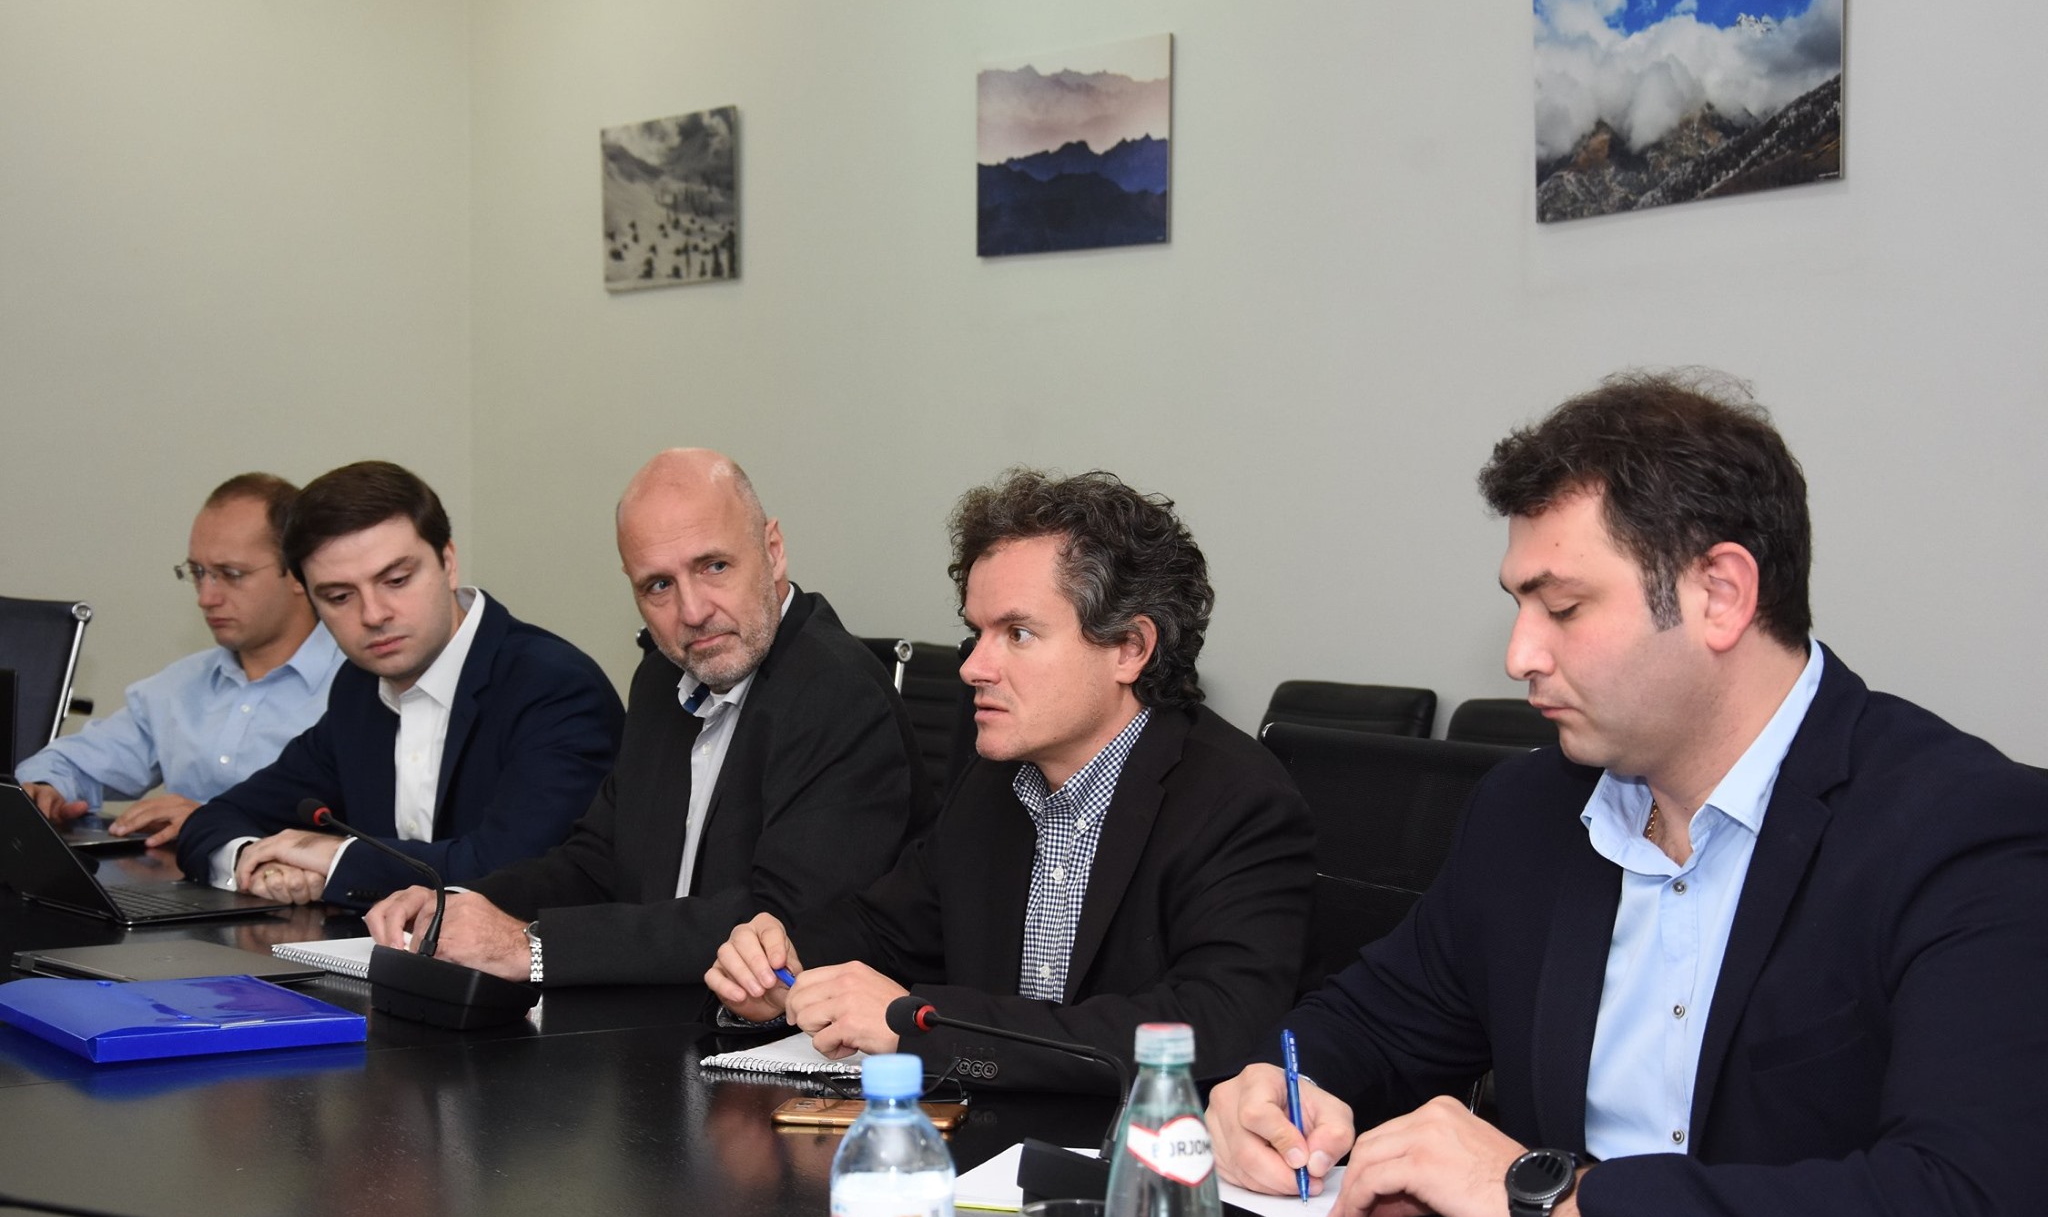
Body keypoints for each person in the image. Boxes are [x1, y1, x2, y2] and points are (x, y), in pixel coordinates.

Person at [1205, 371, 2048, 1217]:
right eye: (1519, 605)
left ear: (1720, 594)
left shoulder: (1965, 831)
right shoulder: (1527, 813)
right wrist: (1277, 1091)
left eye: (1564, 608)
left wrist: (1552, 1196)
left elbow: (1966, 1211)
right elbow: (1369, 1023)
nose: (1520, 654)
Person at [706, 469, 1314, 1090]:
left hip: (1138, 1144)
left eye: (1017, 634)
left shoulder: (1239, 799)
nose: (973, 667)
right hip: (986, 1132)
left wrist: (923, 1026)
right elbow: (887, 931)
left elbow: (1213, 1029)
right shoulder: (994, 781)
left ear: (1130, 648)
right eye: (977, 633)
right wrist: (780, 961)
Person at [360, 449, 935, 986]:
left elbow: (781, 925)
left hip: (779, 1037)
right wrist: (458, 904)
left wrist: (530, 948)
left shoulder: (838, 691)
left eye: (714, 566)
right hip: (655, 1011)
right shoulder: (664, 678)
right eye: (659, 585)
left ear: (774, 549)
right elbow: (597, 862)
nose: (693, 611)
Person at [177, 461, 625, 906]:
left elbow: (510, 869)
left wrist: (332, 858)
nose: (373, 614)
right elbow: (219, 818)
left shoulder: (552, 686)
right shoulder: (359, 687)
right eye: (339, 597)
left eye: (396, 580)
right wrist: (256, 862)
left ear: (448, 562)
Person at [14, 473, 344, 849]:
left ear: (299, 573)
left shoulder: (358, 689)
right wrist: (47, 787)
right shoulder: (182, 685)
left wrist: (213, 821)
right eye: (198, 573)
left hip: (293, 882)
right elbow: (72, 763)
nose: (206, 597)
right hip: (176, 878)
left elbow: (368, 830)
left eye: (231, 575)